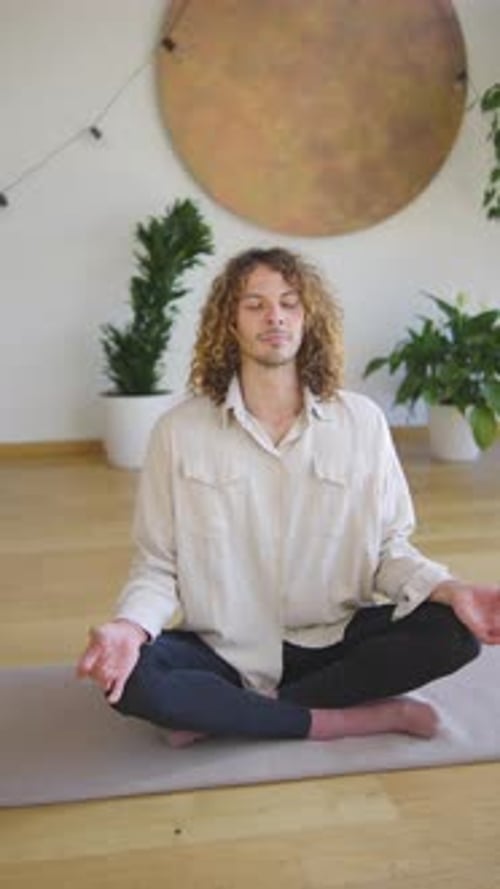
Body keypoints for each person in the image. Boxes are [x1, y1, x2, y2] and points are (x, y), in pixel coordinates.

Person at [77, 247, 500, 747]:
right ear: (229, 324)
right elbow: (157, 565)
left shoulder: (361, 422)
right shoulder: (178, 431)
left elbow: (390, 551)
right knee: (133, 681)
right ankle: (345, 718)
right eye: (254, 304)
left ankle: (236, 714)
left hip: (334, 638)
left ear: (308, 318)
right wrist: (129, 628)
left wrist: (452, 590)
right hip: (224, 648)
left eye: (289, 302)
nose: (274, 315)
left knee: (454, 633)